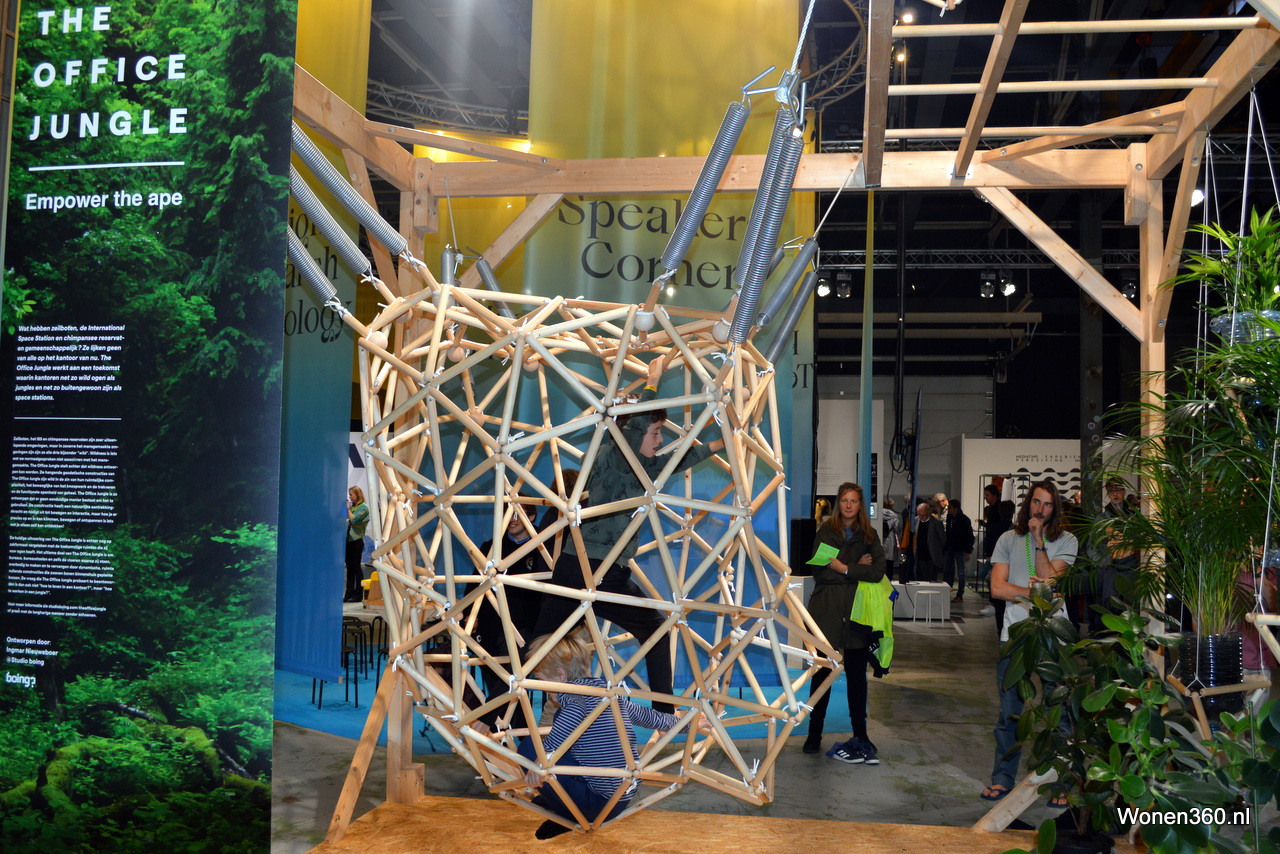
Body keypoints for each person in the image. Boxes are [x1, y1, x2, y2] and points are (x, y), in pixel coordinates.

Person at [533, 358, 724, 714]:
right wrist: (653, 380)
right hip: (597, 568)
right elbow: (636, 425)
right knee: (650, 631)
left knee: (540, 643)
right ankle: (663, 715)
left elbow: (678, 459)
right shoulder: (616, 455)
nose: (660, 439)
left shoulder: (638, 465)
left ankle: (501, 713)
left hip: (584, 567)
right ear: (634, 432)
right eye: (656, 432)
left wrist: (717, 445)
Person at [518, 632, 702, 839]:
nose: (544, 689)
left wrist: (539, 764)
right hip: (622, 797)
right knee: (561, 745)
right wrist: (689, 724)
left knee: (529, 747)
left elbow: (566, 726)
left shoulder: (573, 701)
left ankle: (568, 814)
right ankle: (560, 799)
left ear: (561, 676)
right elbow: (651, 717)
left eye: (542, 682)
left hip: (596, 804)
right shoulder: (607, 694)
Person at [981, 480, 1077, 805]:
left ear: (1055, 508)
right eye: (1037, 502)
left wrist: (1038, 542)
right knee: (1009, 713)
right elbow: (997, 588)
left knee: (1058, 712)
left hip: (1053, 636)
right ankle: (1002, 779)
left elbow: (1051, 583)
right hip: (1015, 636)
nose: (1041, 509)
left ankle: (1058, 783)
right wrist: (1031, 592)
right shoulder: (1008, 539)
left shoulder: (1067, 540)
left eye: (1048, 504)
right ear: (1027, 504)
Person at [803, 482, 886, 764]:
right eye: (844, 500)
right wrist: (855, 568)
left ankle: (861, 735)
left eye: (854, 501)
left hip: (856, 615)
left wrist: (842, 566)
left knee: (857, 679)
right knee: (822, 676)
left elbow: (877, 572)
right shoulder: (826, 531)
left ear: (860, 504)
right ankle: (814, 734)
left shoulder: (869, 535)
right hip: (826, 612)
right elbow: (819, 571)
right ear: (839, 503)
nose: (849, 505)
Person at [469, 496, 547, 730]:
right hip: (492, 624)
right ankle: (511, 734)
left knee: (511, 679)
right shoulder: (492, 547)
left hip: (525, 628)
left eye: (518, 514)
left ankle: (500, 727)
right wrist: (470, 615)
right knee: (497, 679)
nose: (512, 520)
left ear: (531, 516)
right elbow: (474, 584)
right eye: (507, 514)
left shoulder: (543, 547)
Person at [943, 499, 975, 602]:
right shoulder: (950, 518)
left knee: (961, 572)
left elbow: (969, 536)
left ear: (956, 508)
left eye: (950, 508)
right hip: (950, 548)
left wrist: (968, 551)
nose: (948, 510)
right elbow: (949, 533)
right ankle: (947, 589)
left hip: (960, 549)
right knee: (948, 570)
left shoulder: (964, 519)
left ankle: (960, 594)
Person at [344, 486, 370, 603]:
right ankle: (348, 593)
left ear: (357, 494)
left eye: (351, 494)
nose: (350, 497)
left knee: (356, 566)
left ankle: (358, 594)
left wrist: (348, 509)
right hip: (348, 539)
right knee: (349, 567)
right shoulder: (353, 507)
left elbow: (353, 520)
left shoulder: (364, 507)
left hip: (357, 540)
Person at [911, 500, 945, 583]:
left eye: (923, 515)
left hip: (932, 556)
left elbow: (943, 538)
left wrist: (940, 552)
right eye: (919, 515)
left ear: (929, 513)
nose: (921, 517)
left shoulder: (936, 522)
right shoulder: (915, 521)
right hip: (920, 555)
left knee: (931, 579)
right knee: (920, 579)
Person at [881, 497, 902, 581]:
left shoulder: (878, 514)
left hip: (881, 539)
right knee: (889, 561)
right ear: (892, 506)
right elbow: (897, 529)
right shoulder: (894, 517)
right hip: (890, 540)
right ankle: (889, 578)